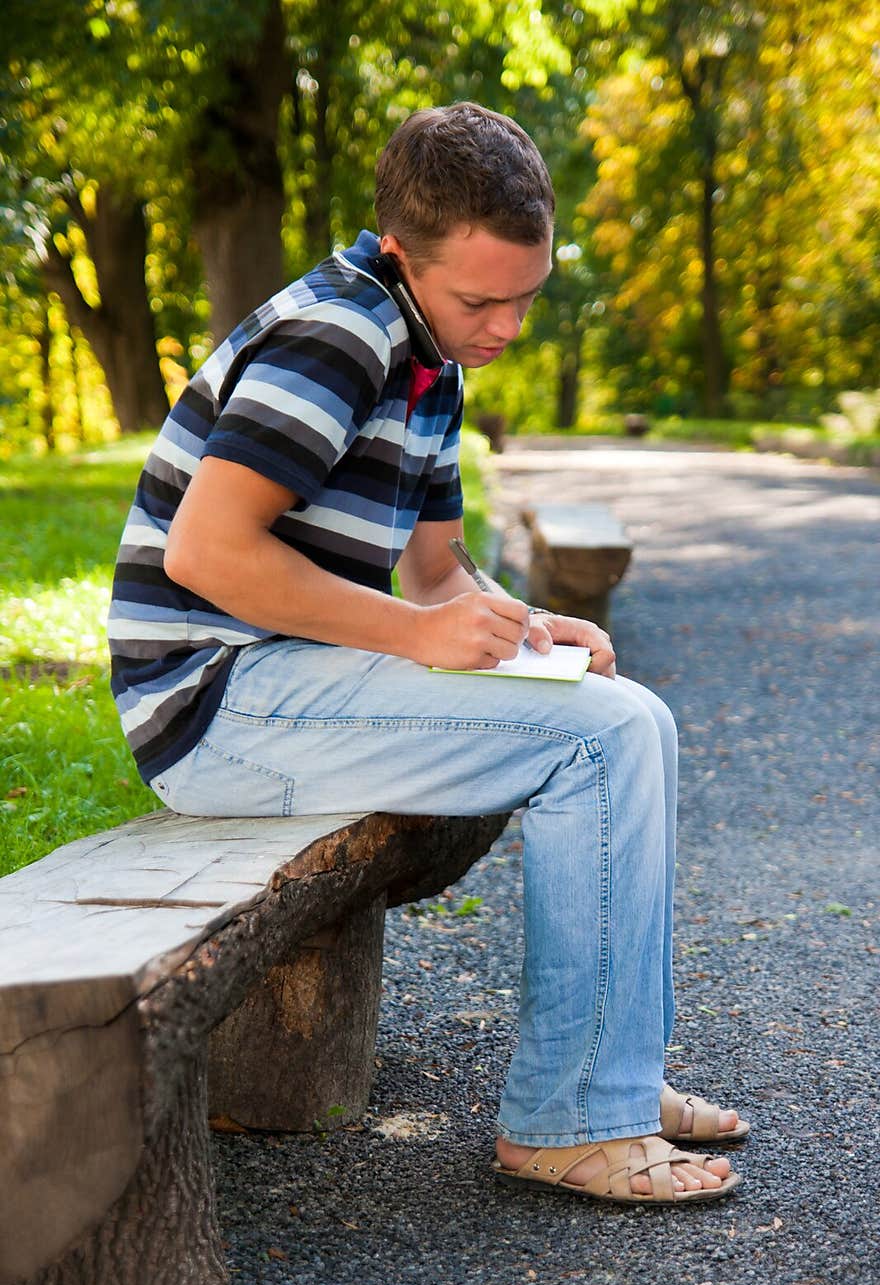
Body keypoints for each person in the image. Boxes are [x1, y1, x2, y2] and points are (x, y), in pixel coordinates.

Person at [108, 101, 747, 1204]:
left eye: (526, 297)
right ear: (403, 251)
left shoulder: (427, 350)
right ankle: (570, 1118)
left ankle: (609, 1073)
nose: (504, 326)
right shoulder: (338, 337)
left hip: (295, 685)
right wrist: (415, 635)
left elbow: (440, 576)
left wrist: (527, 631)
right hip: (219, 707)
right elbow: (209, 552)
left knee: (624, 711)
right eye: (481, 299)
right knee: (598, 745)